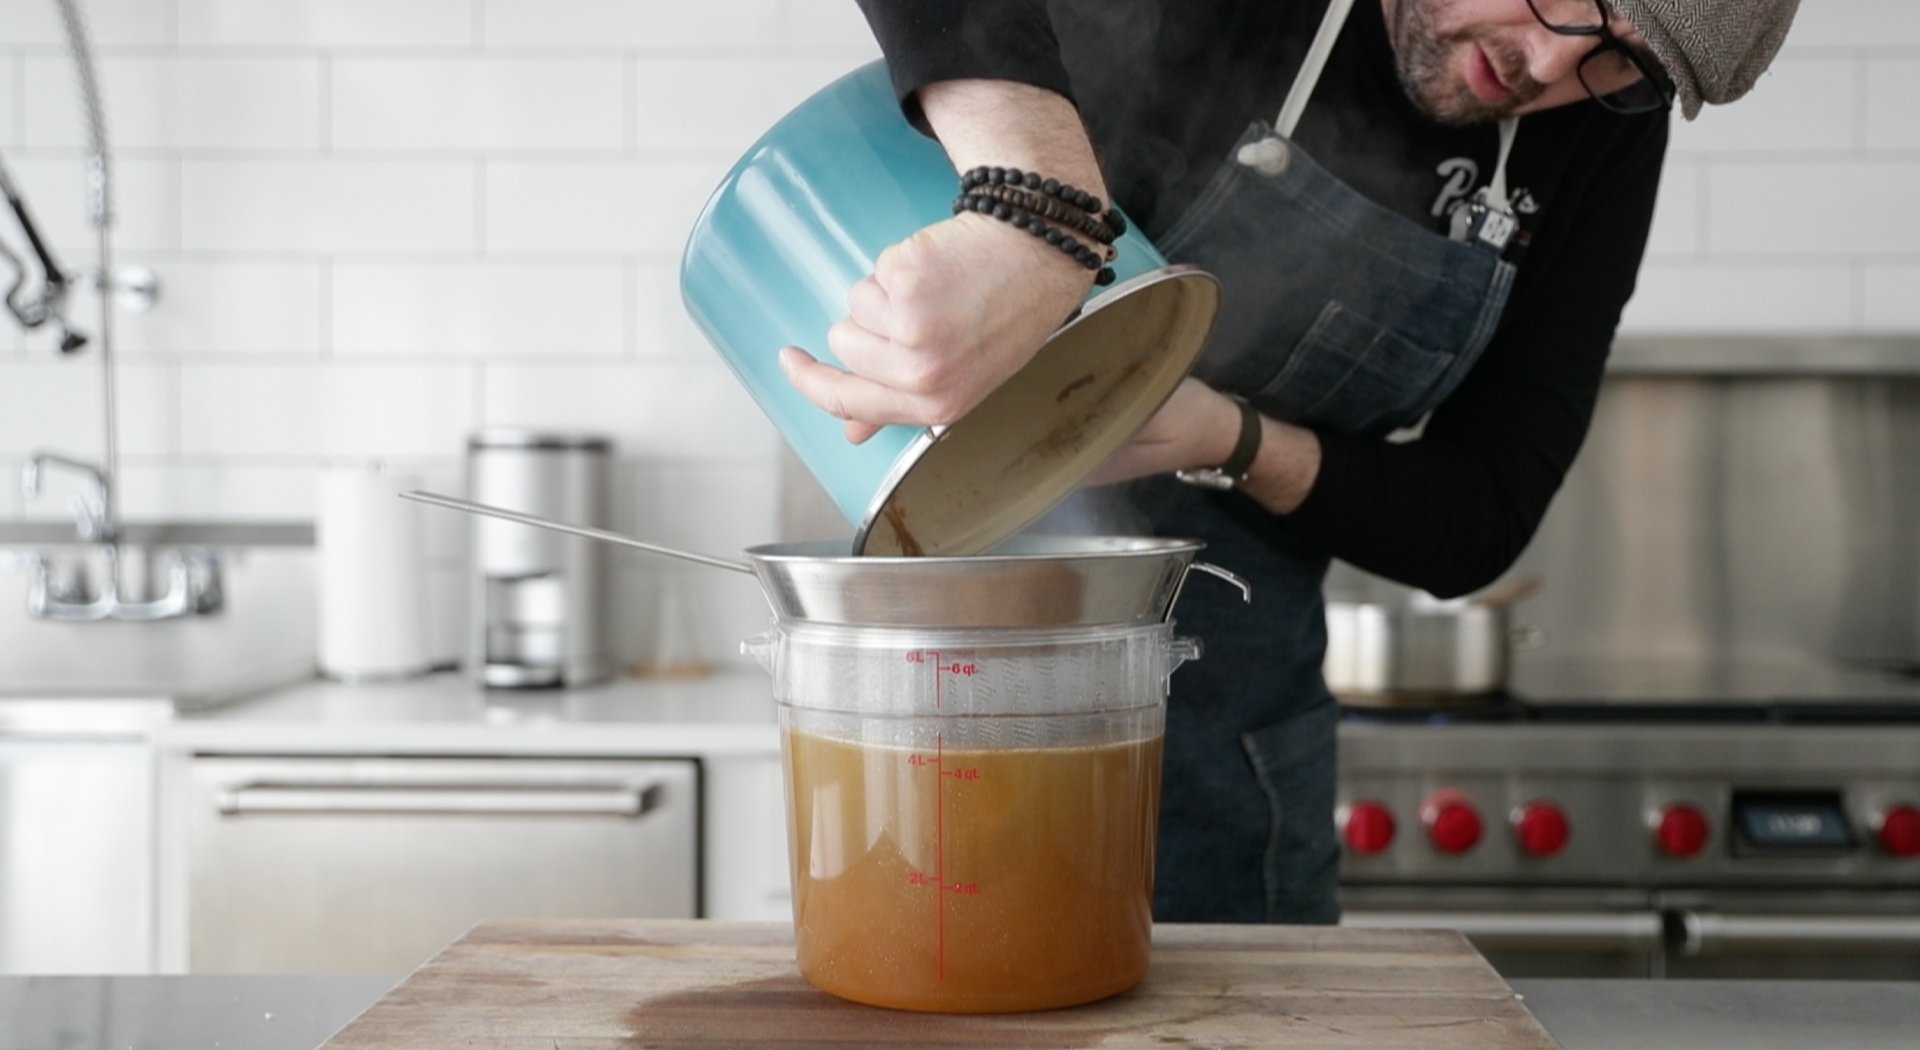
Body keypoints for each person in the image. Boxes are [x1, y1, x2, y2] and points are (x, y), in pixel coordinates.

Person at [777, 0, 1801, 923]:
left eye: (1620, 62)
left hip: (1233, 752)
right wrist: (1034, 201)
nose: (1545, 64)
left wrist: (1234, 438)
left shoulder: (1602, 139)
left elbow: (1484, 511)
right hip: (930, 695)